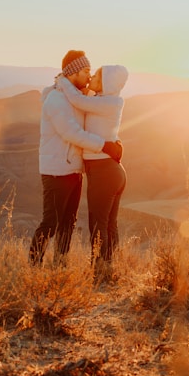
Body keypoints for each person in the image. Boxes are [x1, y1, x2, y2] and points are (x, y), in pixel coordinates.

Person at [28, 51, 123, 265]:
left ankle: (60, 264)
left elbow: (101, 117)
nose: (90, 76)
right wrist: (105, 146)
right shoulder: (56, 99)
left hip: (73, 170)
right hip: (56, 172)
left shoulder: (79, 96)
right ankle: (33, 265)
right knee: (51, 222)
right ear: (72, 73)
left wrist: (115, 140)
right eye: (86, 71)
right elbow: (72, 134)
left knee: (68, 223)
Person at [55, 64, 128, 277]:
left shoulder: (109, 102)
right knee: (108, 224)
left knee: (98, 224)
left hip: (104, 171)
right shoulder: (104, 100)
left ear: (107, 82)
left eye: (97, 75)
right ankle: (108, 268)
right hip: (110, 170)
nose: (93, 77)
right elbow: (85, 97)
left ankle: (99, 272)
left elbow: (78, 100)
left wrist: (63, 81)